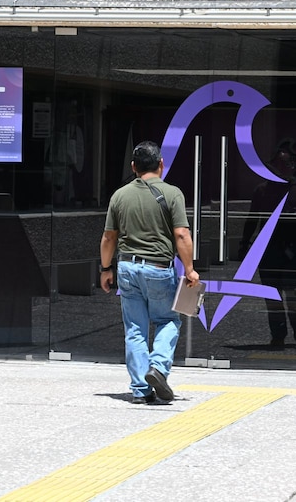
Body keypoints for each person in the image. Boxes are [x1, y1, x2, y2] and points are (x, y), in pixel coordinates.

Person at [99, 140, 200, 404]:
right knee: (168, 321)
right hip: (157, 268)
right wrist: (189, 269)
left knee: (134, 330)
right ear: (161, 165)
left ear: (133, 167)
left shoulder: (119, 195)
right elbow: (181, 233)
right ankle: (158, 367)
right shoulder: (172, 193)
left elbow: (109, 237)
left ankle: (141, 390)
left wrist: (105, 269)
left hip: (127, 268)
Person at [239, 143, 296, 348]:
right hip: (268, 248)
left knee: (293, 289)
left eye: (286, 164)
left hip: (294, 247)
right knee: (271, 293)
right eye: (277, 164)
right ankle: (278, 333)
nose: (282, 168)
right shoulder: (262, 190)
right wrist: (244, 243)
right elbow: (252, 218)